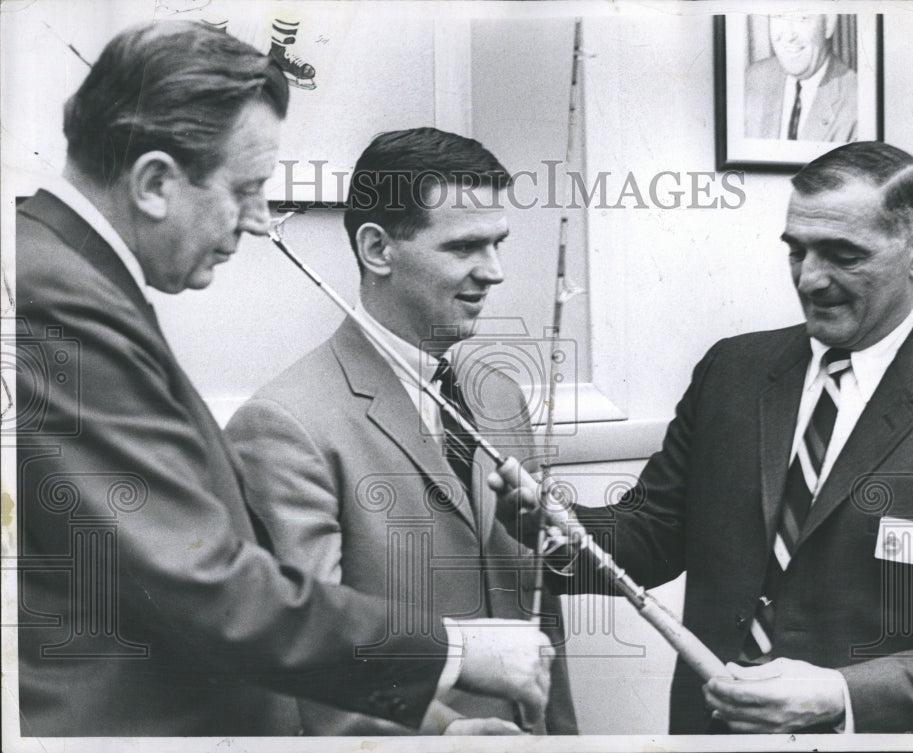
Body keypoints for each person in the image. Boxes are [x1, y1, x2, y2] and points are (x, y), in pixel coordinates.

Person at [15, 22, 553, 737]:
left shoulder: (66, 278)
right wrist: (455, 649)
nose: (262, 222)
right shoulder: (58, 298)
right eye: (248, 189)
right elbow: (203, 583)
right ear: (152, 183)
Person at [492, 141, 913, 733]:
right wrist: (558, 527)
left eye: (842, 255)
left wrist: (841, 694)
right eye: (796, 251)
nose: (810, 279)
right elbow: (651, 536)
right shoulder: (733, 372)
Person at [226, 127, 578, 735]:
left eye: (498, 244)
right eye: (465, 247)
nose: (493, 272)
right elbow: (312, 653)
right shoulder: (285, 426)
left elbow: (538, 614)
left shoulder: (500, 394)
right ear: (377, 250)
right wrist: (443, 733)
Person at [745, 14, 857, 142]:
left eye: (802, 17)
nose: (789, 36)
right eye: (778, 15)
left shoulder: (859, 103)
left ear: (828, 25)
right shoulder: (752, 79)